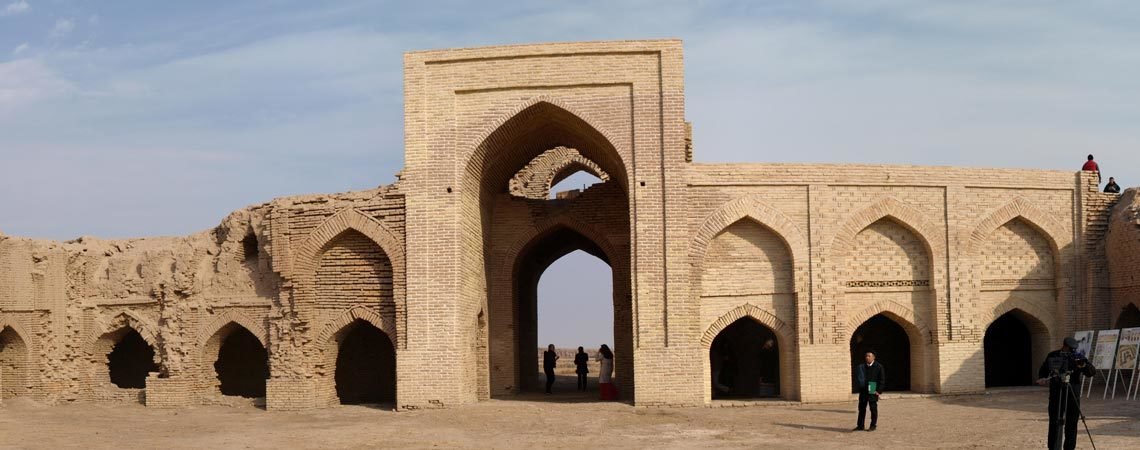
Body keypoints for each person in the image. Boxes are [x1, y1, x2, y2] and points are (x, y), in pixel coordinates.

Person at [1036, 337, 1096, 450]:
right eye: (1070, 349)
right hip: (1056, 393)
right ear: (1064, 346)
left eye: (1074, 349)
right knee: (1054, 422)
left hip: (1072, 394)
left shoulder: (1078, 357)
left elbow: (1091, 372)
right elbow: (1043, 371)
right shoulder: (1053, 355)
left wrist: (1083, 365)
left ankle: (1069, 448)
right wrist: (1042, 378)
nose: (1072, 352)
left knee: (1072, 423)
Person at [853, 350, 885, 432]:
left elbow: (881, 380)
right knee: (861, 409)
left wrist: (878, 391)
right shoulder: (862, 366)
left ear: (873, 357)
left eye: (869, 356)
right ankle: (860, 425)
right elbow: (858, 378)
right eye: (866, 356)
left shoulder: (878, 367)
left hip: (873, 390)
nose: (867, 357)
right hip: (863, 391)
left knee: (873, 409)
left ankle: (873, 425)